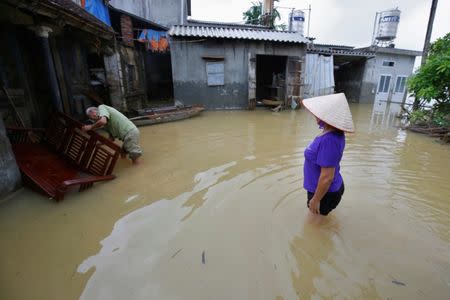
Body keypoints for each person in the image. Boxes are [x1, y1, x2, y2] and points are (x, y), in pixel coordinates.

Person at [302, 93, 355, 218]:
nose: (315, 114)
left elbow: (327, 178)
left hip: (324, 194)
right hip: (325, 191)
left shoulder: (329, 140)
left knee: (312, 231)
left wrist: (315, 200)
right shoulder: (329, 132)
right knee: (317, 225)